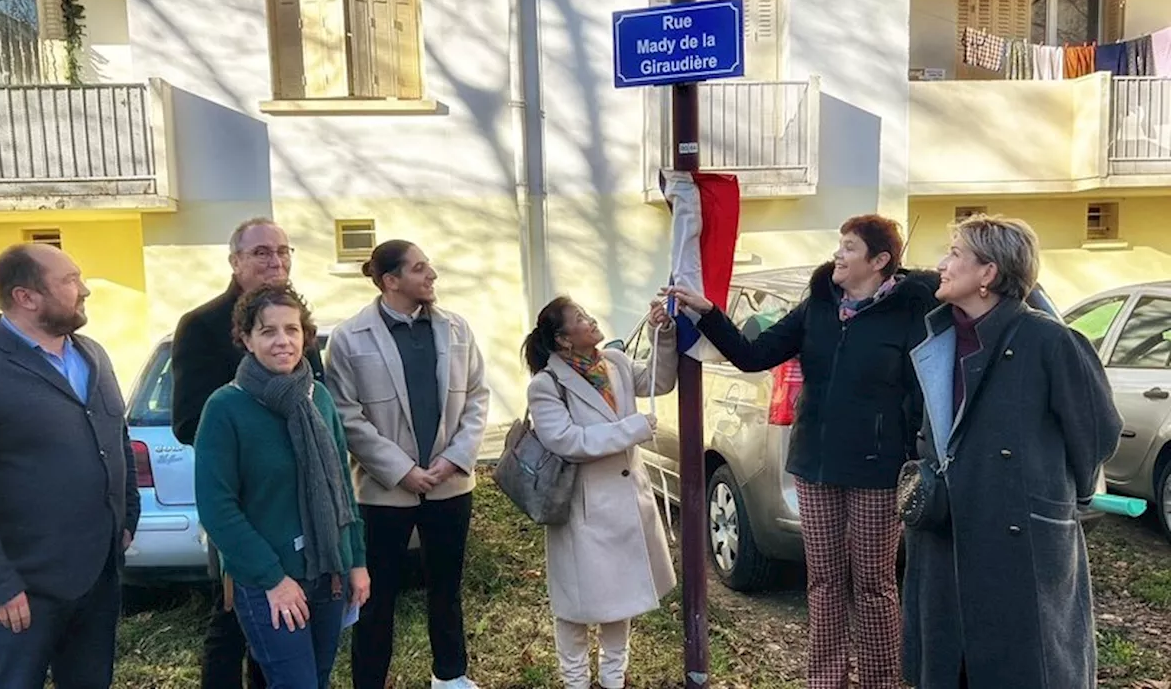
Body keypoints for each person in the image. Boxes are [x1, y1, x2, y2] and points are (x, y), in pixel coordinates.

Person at [663, 215, 939, 689]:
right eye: (839, 244)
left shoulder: (912, 314)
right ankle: (827, 680)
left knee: (873, 585)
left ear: (879, 261)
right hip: (814, 463)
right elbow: (754, 354)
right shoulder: (818, 306)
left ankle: (879, 680)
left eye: (849, 247)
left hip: (878, 468)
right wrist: (709, 311)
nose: (838, 254)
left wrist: (911, 452)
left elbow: (926, 392)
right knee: (824, 580)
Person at [902, 215, 1121, 689]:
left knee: (1023, 669)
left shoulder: (1050, 340)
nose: (942, 264)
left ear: (988, 274)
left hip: (1021, 546)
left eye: (955, 254)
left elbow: (1097, 432)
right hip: (944, 537)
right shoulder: (937, 340)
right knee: (949, 667)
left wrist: (1054, 496)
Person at [0, 243, 140, 688]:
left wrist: (128, 515)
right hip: (25, 588)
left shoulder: (92, 355)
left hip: (98, 574)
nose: (84, 290)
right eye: (69, 280)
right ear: (26, 297)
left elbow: (116, 438)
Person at [325, 240, 490, 689]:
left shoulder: (457, 328)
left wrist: (453, 459)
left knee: (446, 590)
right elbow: (346, 414)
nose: (431, 275)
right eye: (419, 269)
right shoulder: (348, 338)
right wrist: (402, 471)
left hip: (450, 484)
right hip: (383, 492)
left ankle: (451, 677)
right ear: (390, 281)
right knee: (375, 598)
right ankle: (370, 681)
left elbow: (477, 397)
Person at [172, 217, 324, 689]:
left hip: (299, 499)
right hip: (242, 499)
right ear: (235, 261)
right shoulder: (200, 326)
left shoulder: (298, 323)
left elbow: (315, 402)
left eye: (282, 250)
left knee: (287, 614)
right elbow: (188, 422)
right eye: (261, 252)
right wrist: (253, 443)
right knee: (234, 613)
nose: (275, 260)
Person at [195, 284, 369, 689]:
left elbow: (342, 485)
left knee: (317, 680)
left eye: (291, 330)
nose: (282, 341)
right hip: (267, 580)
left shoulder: (318, 398)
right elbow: (217, 508)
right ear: (247, 339)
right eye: (268, 331)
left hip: (330, 572)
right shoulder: (225, 408)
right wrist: (273, 579)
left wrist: (356, 559)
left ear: (305, 336)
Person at [522, 297, 677, 689]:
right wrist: (632, 429)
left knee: (620, 600)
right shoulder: (547, 384)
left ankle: (613, 679)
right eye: (581, 319)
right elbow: (566, 440)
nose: (592, 321)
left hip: (626, 502)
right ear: (563, 340)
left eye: (589, 314)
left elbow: (659, 380)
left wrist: (664, 334)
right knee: (574, 607)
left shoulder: (616, 362)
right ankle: (574, 682)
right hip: (581, 509)